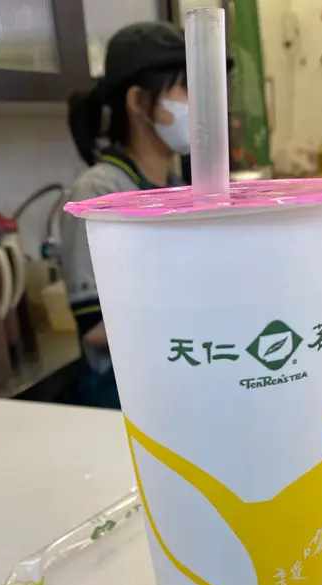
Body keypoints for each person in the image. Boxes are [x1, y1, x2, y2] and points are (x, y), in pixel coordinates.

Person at [62, 22, 190, 410]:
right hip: (124, 394)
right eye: (186, 88)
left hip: (175, 381)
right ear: (137, 102)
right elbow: (94, 329)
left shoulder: (175, 187)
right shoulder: (99, 192)